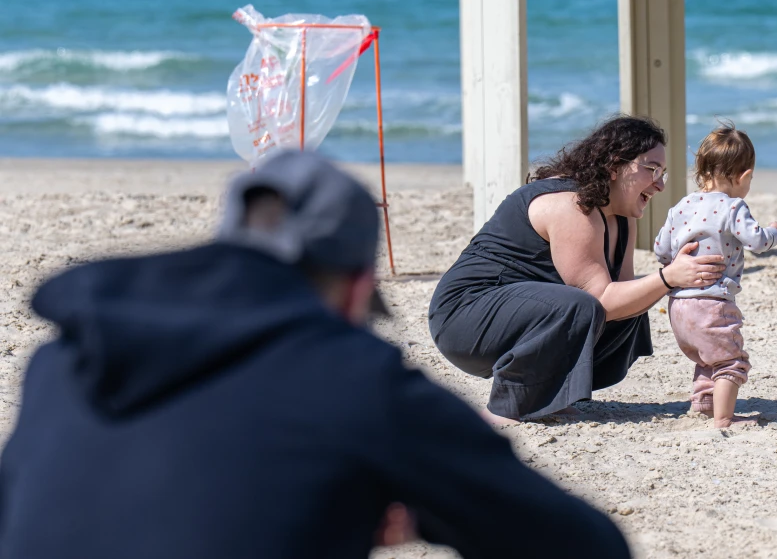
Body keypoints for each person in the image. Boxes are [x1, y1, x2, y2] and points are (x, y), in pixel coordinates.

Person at [0, 150, 632, 559]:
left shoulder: (68, 361)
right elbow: (588, 544)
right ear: (357, 285)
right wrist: (425, 516)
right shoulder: (357, 385)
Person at [428, 115, 727, 425]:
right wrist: (667, 278)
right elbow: (600, 298)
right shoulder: (573, 205)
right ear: (614, 165)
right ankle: (508, 408)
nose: (660, 184)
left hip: (513, 317)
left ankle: (548, 394)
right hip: (463, 318)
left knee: (632, 305)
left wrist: (675, 278)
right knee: (582, 304)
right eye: (651, 169)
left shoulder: (622, 216)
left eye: (663, 173)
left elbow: (621, 298)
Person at [653, 122, 777, 428]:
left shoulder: (681, 206)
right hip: (713, 303)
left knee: (705, 357)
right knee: (729, 360)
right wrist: (774, 231)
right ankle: (724, 418)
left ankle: (705, 405)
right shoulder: (733, 207)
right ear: (745, 176)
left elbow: (661, 250)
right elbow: (757, 242)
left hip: (678, 306)